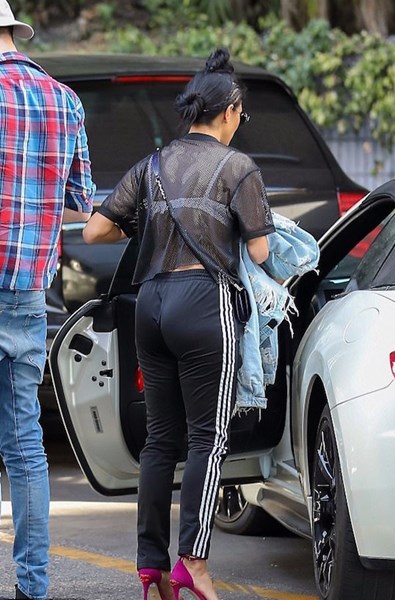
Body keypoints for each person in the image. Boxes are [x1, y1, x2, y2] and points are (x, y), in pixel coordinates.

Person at [83, 47, 274, 600]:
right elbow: (261, 252)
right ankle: (194, 560)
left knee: (159, 441)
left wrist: (150, 225)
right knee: (208, 439)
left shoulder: (151, 166)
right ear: (229, 110)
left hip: (151, 305)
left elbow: (95, 231)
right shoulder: (237, 167)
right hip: (203, 304)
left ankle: (151, 566)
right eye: (241, 114)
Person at [0, 3, 96, 599]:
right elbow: (82, 203)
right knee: (26, 447)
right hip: (27, 292)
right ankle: (33, 588)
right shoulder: (65, 100)